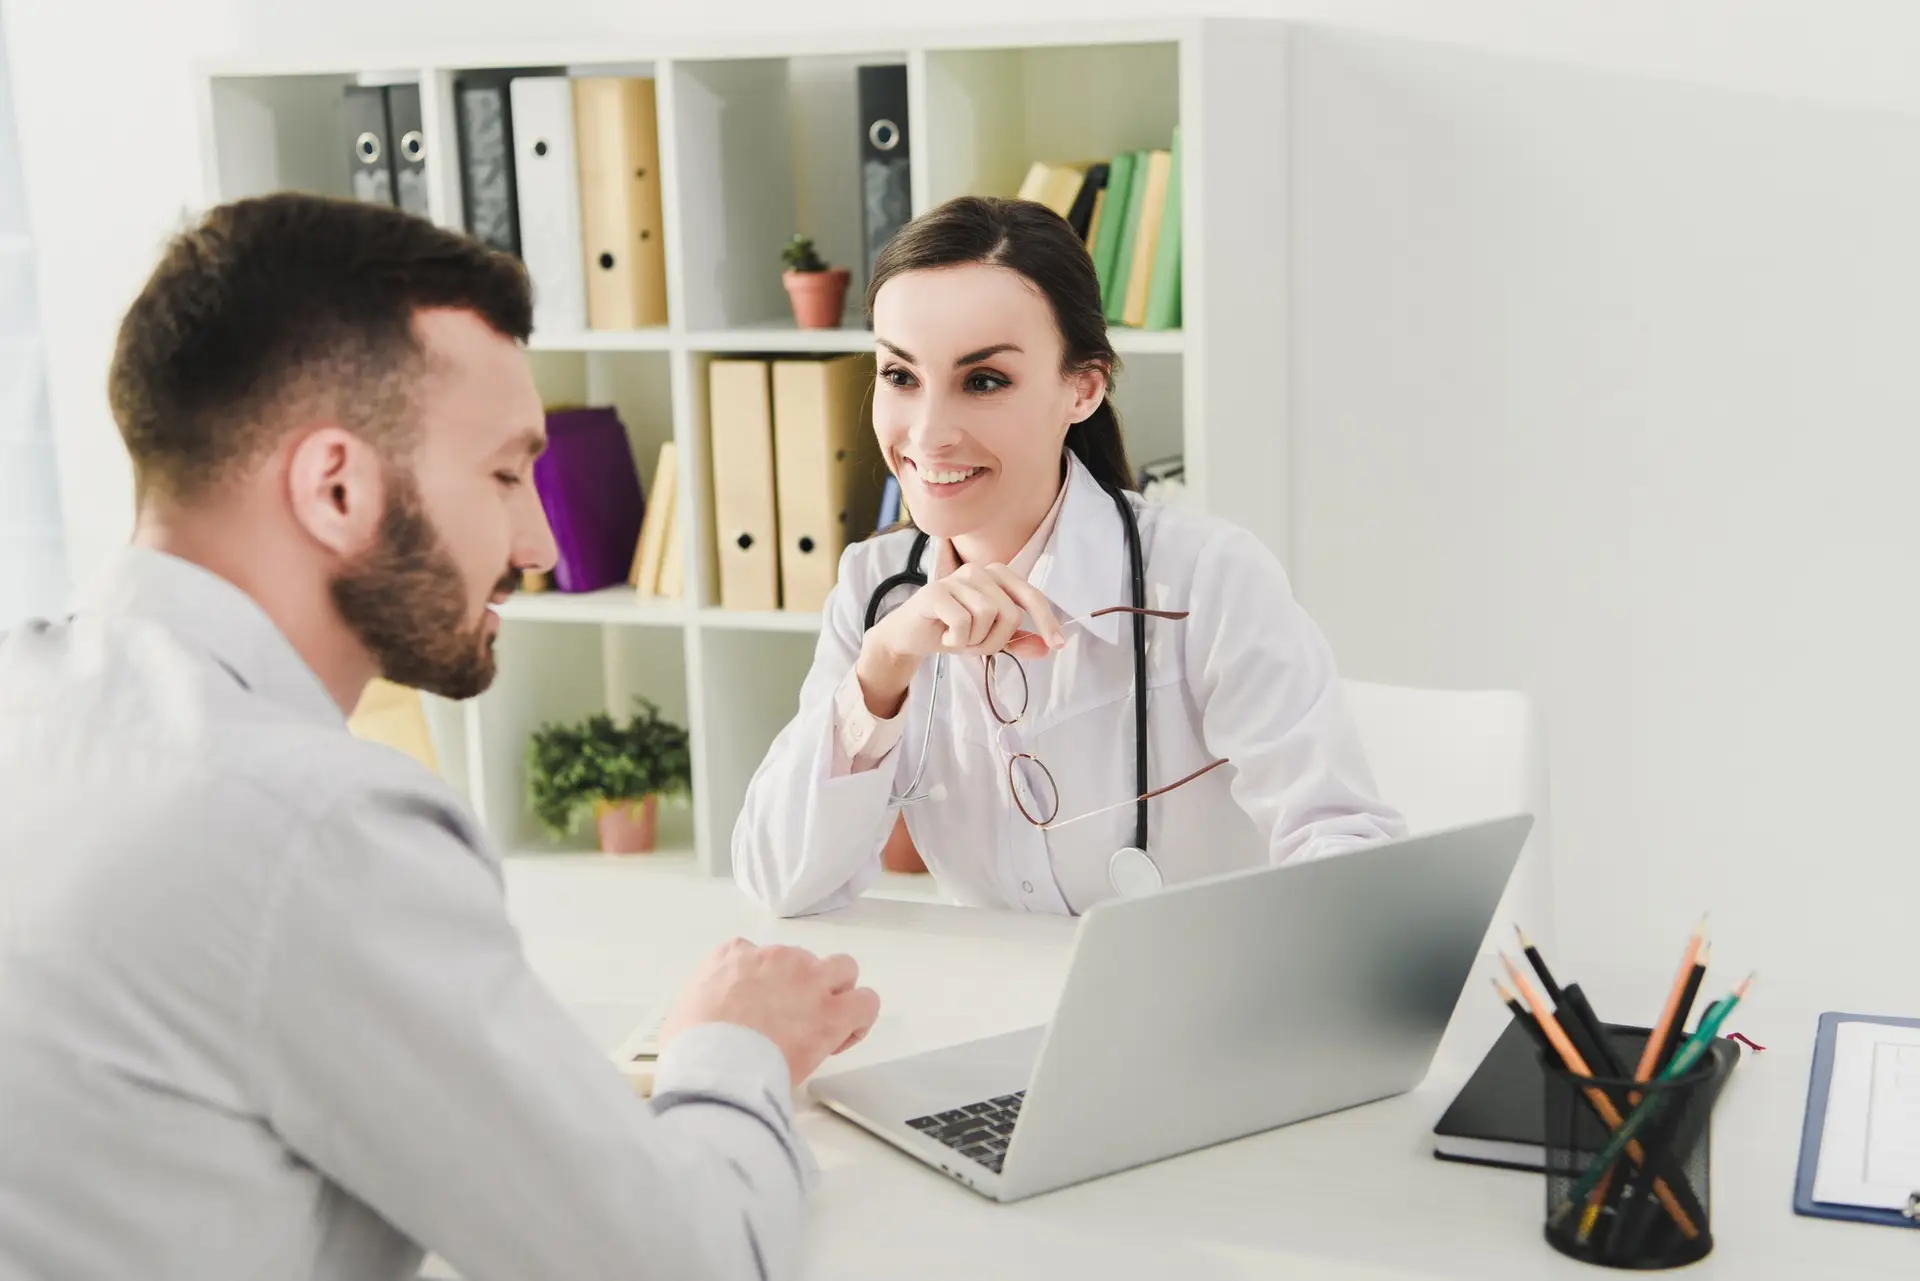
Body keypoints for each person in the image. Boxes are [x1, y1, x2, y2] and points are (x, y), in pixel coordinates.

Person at [0, 192, 878, 1281]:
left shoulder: (33, 710)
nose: (540, 541)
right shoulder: (310, 825)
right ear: (336, 487)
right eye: (507, 473)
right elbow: (683, 1264)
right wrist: (734, 1045)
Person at [733, 196, 1406, 919]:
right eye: (901, 376)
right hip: (995, 1014)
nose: (928, 435)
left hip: (1195, 1011)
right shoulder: (876, 593)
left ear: (1083, 387)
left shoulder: (1208, 580)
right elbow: (781, 883)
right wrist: (883, 669)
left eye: (983, 381)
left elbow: (1346, 849)